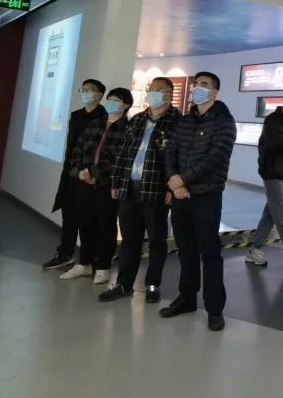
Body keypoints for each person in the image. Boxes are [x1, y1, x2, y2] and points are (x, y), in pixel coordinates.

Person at [160, 72, 237, 332]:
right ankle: (187, 298)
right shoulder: (185, 120)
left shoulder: (224, 122)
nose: (197, 88)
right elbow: (171, 151)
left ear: (215, 92)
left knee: (210, 253)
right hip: (181, 196)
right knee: (186, 250)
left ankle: (214, 309)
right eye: (196, 84)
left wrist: (182, 180)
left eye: (204, 85)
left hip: (206, 196)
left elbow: (217, 157)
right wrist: (175, 181)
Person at [99, 77, 182, 304]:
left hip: (156, 190)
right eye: (151, 89)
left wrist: (171, 187)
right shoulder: (137, 119)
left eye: (159, 90)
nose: (153, 93)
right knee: (130, 240)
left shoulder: (178, 122)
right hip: (129, 189)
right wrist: (116, 182)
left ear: (169, 94)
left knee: (156, 240)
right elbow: (123, 154)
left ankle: (152, 284)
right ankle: (124, 284)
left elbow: (179, 158)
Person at [60, 88, 132, 285]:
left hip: (107, 184)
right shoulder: (95, 124)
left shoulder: (128, 129)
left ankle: (103, 266)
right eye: (109, 99)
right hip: (84, 182)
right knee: (85, 223)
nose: (110, 103)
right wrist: (81, 172)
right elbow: (77, 152)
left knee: (106, 225)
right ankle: (84, 262)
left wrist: (93, 173)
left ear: (125, 105)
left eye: (116, 100)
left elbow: (119, 158)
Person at [43, 79, 106, 270]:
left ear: (99, 95)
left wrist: (91, 172)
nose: (85, 93)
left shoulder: (103, 117)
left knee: (87, 219)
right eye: (83, 89)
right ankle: (65, 253)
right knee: (68, 214)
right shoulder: (77, 115)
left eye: (90, 90)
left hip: (89, 175)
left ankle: (89, 258)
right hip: (71, 172)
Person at [243, 88, 283, 271]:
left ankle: (254, 249)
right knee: (281, 213)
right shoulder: (271, 120)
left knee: (271, 212)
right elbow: (273, 145)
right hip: (271, 171)